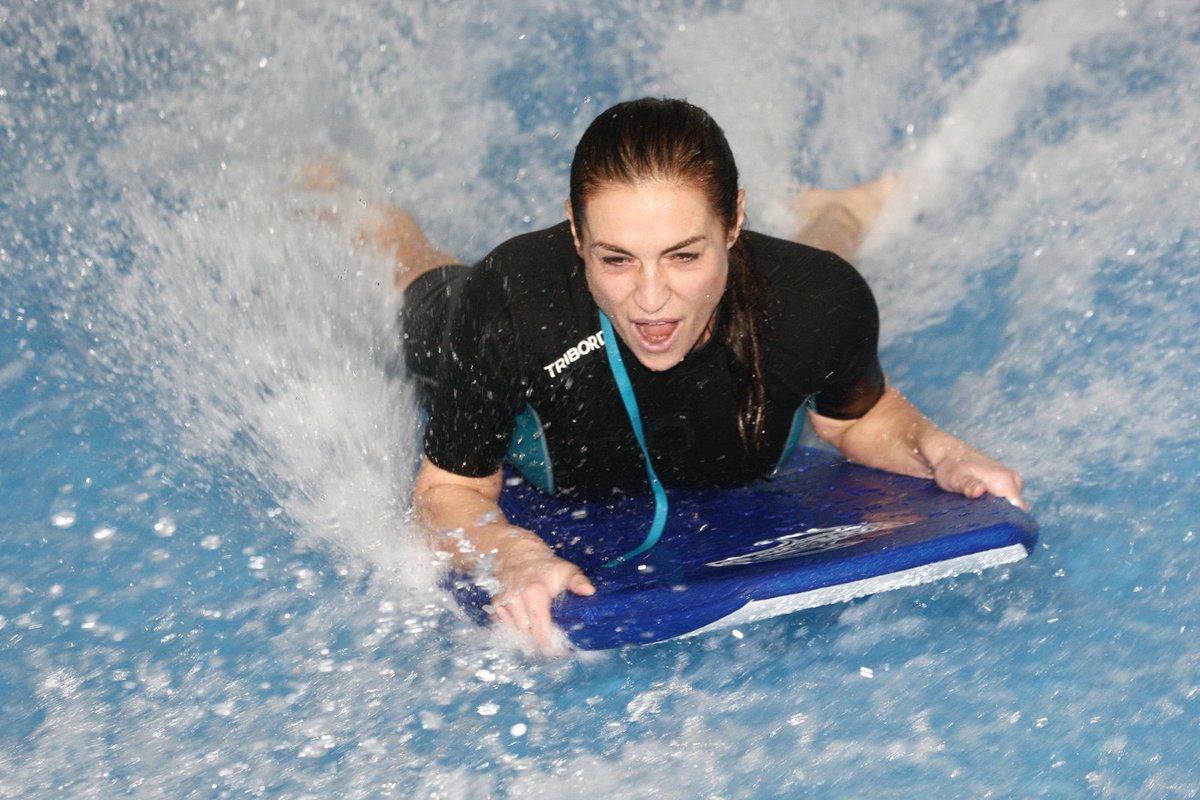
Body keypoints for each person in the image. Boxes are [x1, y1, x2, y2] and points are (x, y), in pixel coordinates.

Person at [363, 98, 1025, 653]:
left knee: (806, 280)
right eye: (616, 259)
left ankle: (841, 211)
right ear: (575, 231)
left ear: (735, 220)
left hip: (776, 281)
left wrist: (937, 450)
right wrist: (509, 553)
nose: (651, 300)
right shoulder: (509, 305)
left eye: (683, 255)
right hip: (476, 314)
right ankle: (369, 209)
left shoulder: (816, 300)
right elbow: (447, 491)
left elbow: (859, 418)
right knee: (425, 279)